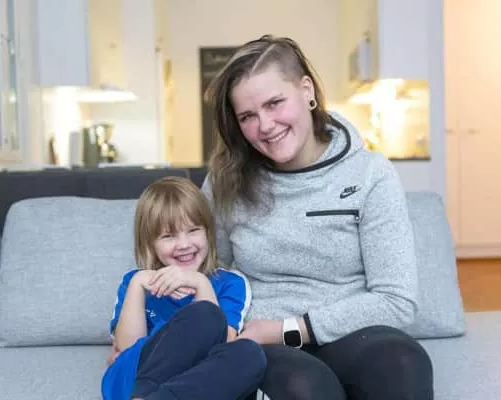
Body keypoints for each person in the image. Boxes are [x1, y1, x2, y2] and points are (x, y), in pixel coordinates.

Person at [202, 34, 434, 400]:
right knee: (305, 387)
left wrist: (290, 328)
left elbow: (397, 300)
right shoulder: (224, 181)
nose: (265, 125)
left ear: (306, 90)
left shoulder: (370, 173)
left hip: (352, 332)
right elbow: (207, 274)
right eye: (248, 116)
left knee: (403, 363)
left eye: (274, 103)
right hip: (263, 341)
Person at [101, 176, 266, 400]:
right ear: (150, 244)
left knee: (250, 353)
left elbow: (222, 341)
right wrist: (138, 284)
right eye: (168, 236)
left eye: (193, 230)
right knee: (205, 314)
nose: (184, 244)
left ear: (208, 233)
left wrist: (200, 283)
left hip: (189, 385)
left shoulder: (230, 283)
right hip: (133, 381)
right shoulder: (136, 281)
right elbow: (126, 347)